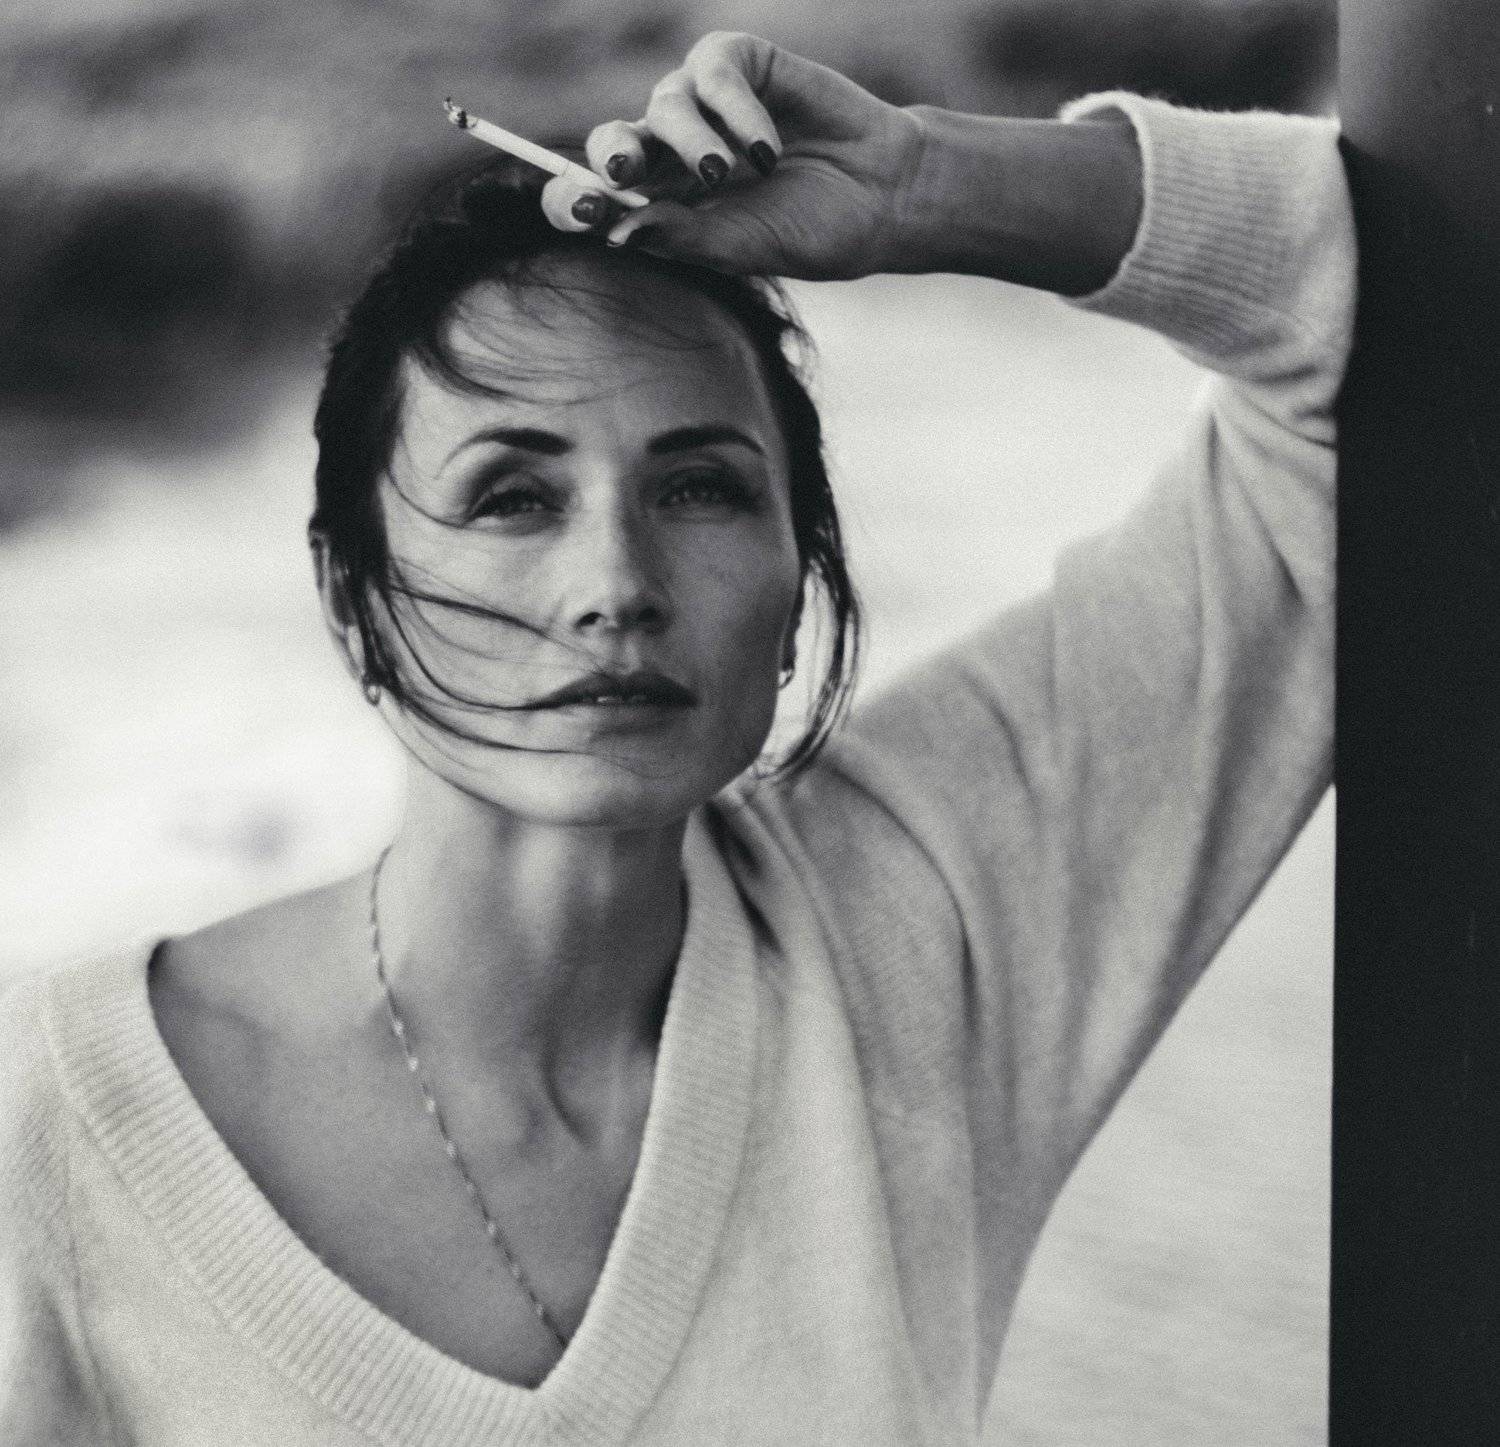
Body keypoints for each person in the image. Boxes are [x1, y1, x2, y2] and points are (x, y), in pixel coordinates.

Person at [0, 31, 1352, 1446]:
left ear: (798, 588)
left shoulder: (920, 930)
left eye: (700, 489)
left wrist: (922, 186)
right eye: (513, 497)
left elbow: (1370, 327)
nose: (619, 586)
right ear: (354, 599)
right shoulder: (68, 1128)